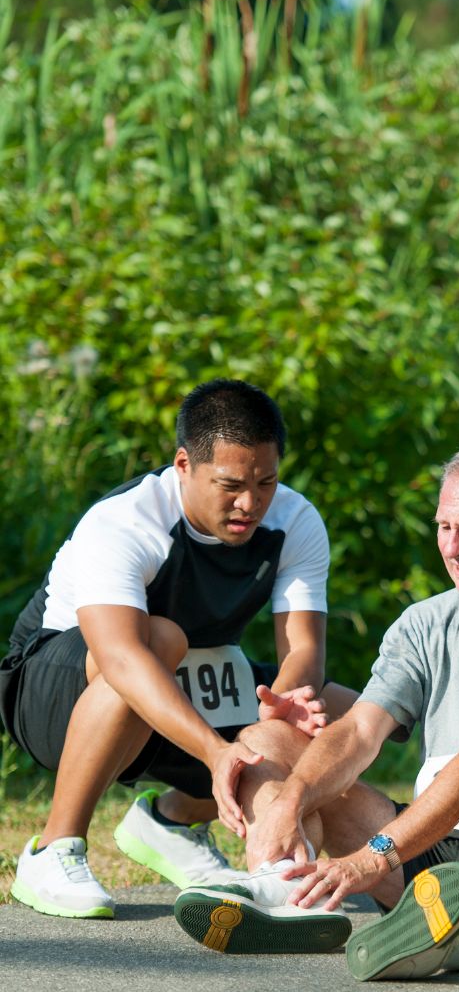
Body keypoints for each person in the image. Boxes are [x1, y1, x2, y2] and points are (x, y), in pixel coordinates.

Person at [172, 440, 459, 981]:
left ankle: (456, 937)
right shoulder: (426, 622)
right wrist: (291, 801)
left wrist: (375, 857)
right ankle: (287, 889)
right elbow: (361, 731)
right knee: (264, 741)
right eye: (445, 527)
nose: (454, 548)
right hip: (434, 843)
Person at [1, 379, 356, 919]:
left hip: (180, 678)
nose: (250, 503)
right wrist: (217, 752)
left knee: (337, 704)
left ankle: (170, 824)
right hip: (53, 693)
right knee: (160, 640)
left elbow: (303, 649)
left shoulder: (296, 520)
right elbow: (120, 657)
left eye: (266, 481)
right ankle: (53, 847)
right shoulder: (126, 519)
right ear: (184, 465)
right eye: (230, 484)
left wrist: (281, 713)